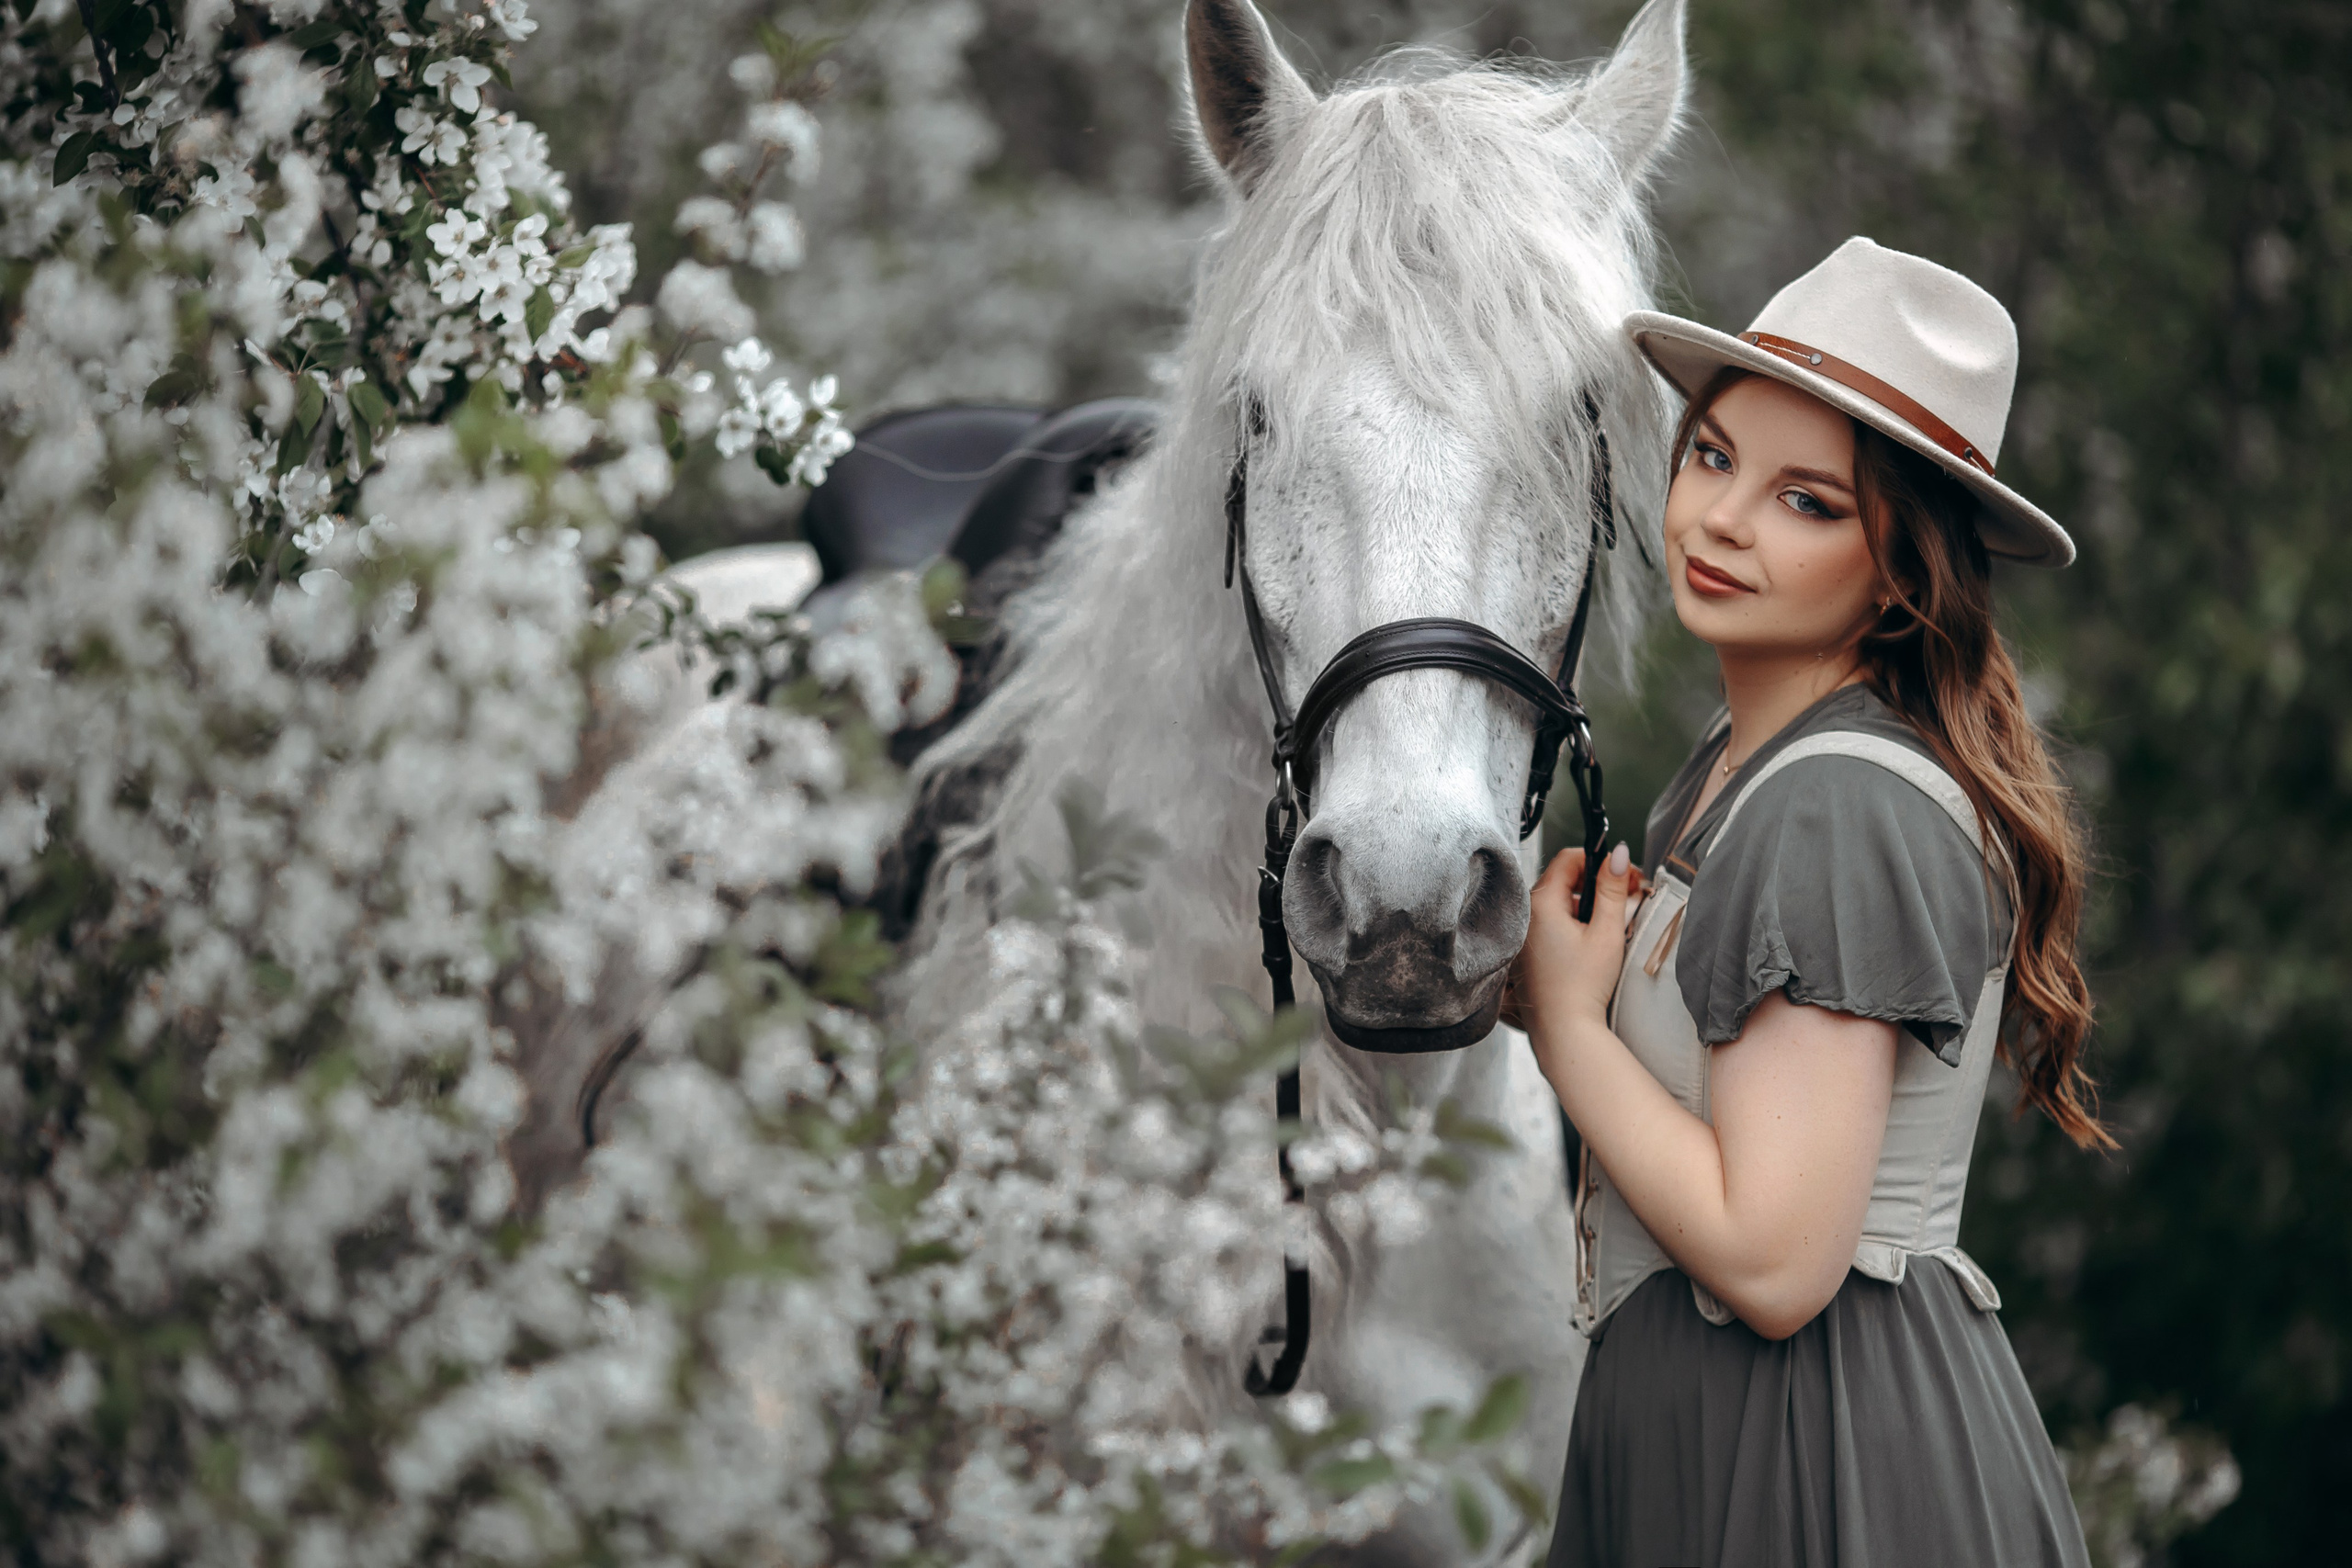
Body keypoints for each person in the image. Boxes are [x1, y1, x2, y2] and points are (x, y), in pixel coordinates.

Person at [1515, 237, 2106, 1567]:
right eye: (1714, 456)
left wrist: (1570, 1031)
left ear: (1905, 567)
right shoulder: (1742, 772)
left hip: (1817, 1466)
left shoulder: (1838, 807)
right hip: (1722, 1441)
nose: (1721, 520)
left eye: (1809, 503)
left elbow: (1776, 1264)